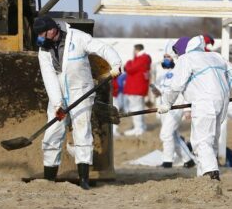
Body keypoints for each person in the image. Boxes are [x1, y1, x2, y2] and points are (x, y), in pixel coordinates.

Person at [33, 16, 122, 190]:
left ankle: (83, 179)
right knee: (53, 132)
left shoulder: (78, 37)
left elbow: (102, 48)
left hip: (80, 90)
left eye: (44, 33)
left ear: (52, 29)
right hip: (58, 93)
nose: (41, 37)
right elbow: (49, 77)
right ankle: (49, 179)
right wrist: (58, 105)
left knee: (82, 131)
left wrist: (116, 63)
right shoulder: (43, 49)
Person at [158, 35, 232, 180]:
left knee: (201, 141)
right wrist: (224, 91)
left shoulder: (187, 59)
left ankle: (211, 173)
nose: (177, 55)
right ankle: (202, 177)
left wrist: (166, 103)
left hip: (204, 102)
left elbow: (176, 85)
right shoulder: (215, 56)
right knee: (211, 140)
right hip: (221, 102)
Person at [154, 40, 195, 169]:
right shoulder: (162, 73)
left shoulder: (181, 70)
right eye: (165, 57)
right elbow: (161, 90)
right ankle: (188, 160)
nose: (166, 59)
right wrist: (155, 92)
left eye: (168, 57)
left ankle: (167, 161)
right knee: (173, 135)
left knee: (165, 134)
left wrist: (187, 109)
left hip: (176, 107)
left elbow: (186, 90)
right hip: (164, 107)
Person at [123, 44, 151, 137]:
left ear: (136, 50)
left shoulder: (142, 58)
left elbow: (130, 69)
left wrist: (128, 63)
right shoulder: (143, 59)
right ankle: (141, 127)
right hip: (138, 87)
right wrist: (130, 63)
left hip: (136, 88)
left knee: (136, 108)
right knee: (139, 107)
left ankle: (138, 128)